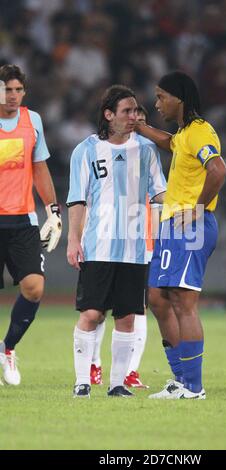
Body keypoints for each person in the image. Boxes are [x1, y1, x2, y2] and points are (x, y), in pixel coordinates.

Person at [67, 85, 166, 398]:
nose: (133, 116)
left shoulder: (147, 150)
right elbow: (77, 199)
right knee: (92, 313)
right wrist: (73, 239)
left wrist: (192, 199)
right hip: (98, 245)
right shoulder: (85, 150)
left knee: (126, 317)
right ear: (109, 115)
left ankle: (117, 384)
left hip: (135, 250)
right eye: (126, 111)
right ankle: (82, 381)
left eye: (136, 110)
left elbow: (160, 193)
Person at [136, 70, 226, 399]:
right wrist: (141, 128)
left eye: (161, 97)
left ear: (180, 99)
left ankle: (194, 386)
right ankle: (181, 380)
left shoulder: (201, 132)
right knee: (159, 299)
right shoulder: (185, 133)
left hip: (191, 226)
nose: (157, 102)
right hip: (173, 224)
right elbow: (168, 143)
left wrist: (199, 208)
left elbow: (218, 169)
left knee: (184, 304)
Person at [0, 64, 62, 385]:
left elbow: (39, 169)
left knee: (34, 288)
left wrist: (53, 210)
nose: (12, 96)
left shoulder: (32, 120)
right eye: (6, 89)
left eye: (17, 90)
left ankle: (7, 348)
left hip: (23, 219)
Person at [89, 105, 156, 389]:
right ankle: (93, 365)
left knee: (136, 307)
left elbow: (158, 193)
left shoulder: (146, 151)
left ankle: (130, 371)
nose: (134, 123)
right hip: (105, 237)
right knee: (97, 308)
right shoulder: (98, 148)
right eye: (130, 117)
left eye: (139, 119)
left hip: (141, 238)